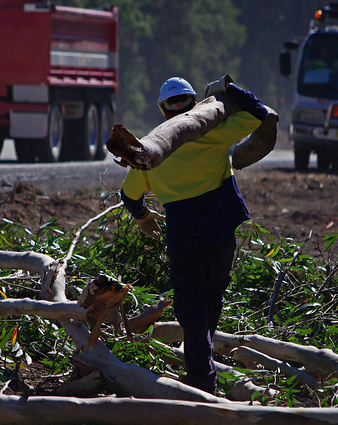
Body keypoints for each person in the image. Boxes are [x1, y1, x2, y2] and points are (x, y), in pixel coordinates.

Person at [118, 75, 269, 394]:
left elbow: (129, 196)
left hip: (186, 240)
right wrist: (229, 90)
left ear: (164, 111)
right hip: (221, 232)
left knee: (190, 306)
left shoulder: (150, 151)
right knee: (211, 298)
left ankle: (201, 376)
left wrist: (143, 218)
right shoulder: (216, 134)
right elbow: (258, 112)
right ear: (194, 104)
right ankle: (202, 364)